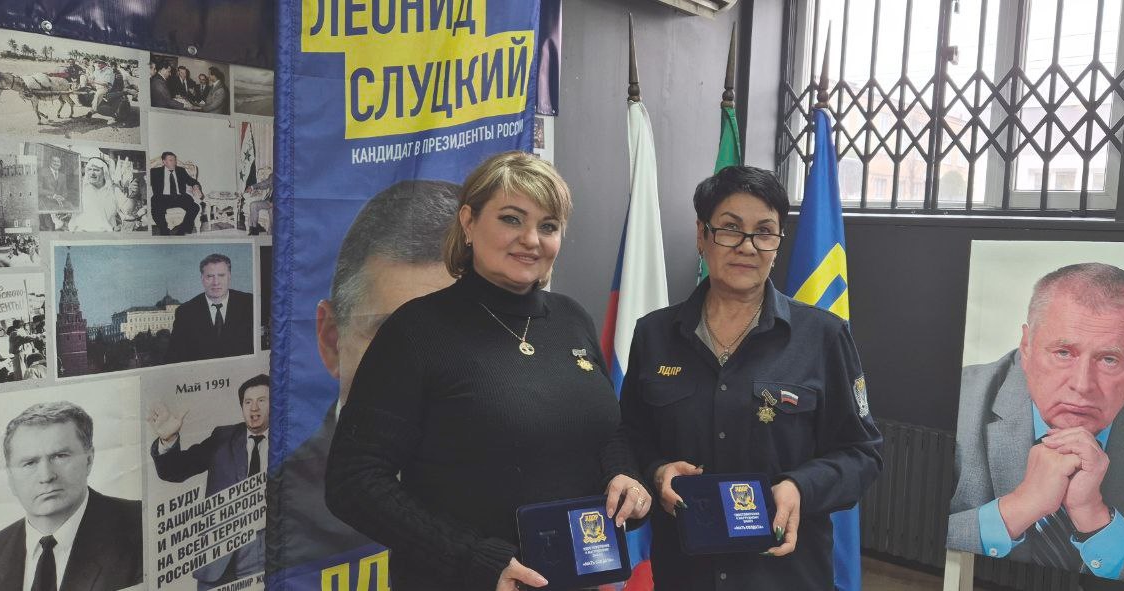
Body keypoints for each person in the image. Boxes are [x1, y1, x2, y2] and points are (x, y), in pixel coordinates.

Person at [325, 151, 650, 591]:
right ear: (468, 222)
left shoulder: (571, 319)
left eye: (548, 226)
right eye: (512, 219)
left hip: (578, 578)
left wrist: (624, 474)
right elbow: (353, 481)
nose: (531, 239)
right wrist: (472, 557)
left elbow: (606, 430)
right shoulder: (416, 331)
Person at [618, 165, 883, 590]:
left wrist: (800, 487)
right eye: (730, 228)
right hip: (685, 573)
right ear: (702, 235)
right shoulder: (654, 334)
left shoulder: (823, 336)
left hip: (785, 574)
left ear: (778, 243)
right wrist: (657, 469)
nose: (747, 246)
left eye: (764, 232)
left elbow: (862, 453)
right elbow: (631, 436)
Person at [946, 263, 1124, 590]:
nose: (1082, 385)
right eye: (1064, 352)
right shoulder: (958, 398)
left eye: (1109, 359)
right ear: (1027, 345)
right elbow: (912, 528)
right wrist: (1016, 509)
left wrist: (1096, 519)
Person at [267, 179, 460, 574]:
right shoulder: (284, 514)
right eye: (391, 335)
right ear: (331, 340)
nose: (432, 372)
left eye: (465, 333)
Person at [0, 401, 143, 591]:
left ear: (89, 460)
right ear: (10, 477)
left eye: (60, 456)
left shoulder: (142, 525)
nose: (46, 476)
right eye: (29, 463)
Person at [148, 374, 270, 590]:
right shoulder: (223, 437)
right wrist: (168, 439)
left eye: (261, 400)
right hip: (217, 559)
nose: (254, 408)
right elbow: (175, 470)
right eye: (247, 402)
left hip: (266, 552)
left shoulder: (291, 439)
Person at [167, 253, 255, 363]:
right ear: (202, 278)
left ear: (229, 276)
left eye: (221, 275)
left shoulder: (250, 303)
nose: (216, 282)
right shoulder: (185, 312)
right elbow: (174, 357)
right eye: (210, 276)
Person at [150, 151, 202, 235]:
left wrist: (196, 187)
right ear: (164, 162)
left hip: (179, 197)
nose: (174, 162)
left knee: (195, 207)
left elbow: (191, 181)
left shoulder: (180, 170)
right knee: (156, 210)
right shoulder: (154, 172)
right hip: (162, 197)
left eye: (174, 160)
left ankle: (182, 231)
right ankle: (164, 231)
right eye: (171, 160)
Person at [67, 156, 123, 232]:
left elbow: (126, 212)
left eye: (96, 170)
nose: (92, 173)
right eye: (89, 169)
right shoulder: (81, 190)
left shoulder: (114, 191)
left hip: (108, 234)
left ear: (104, 173)